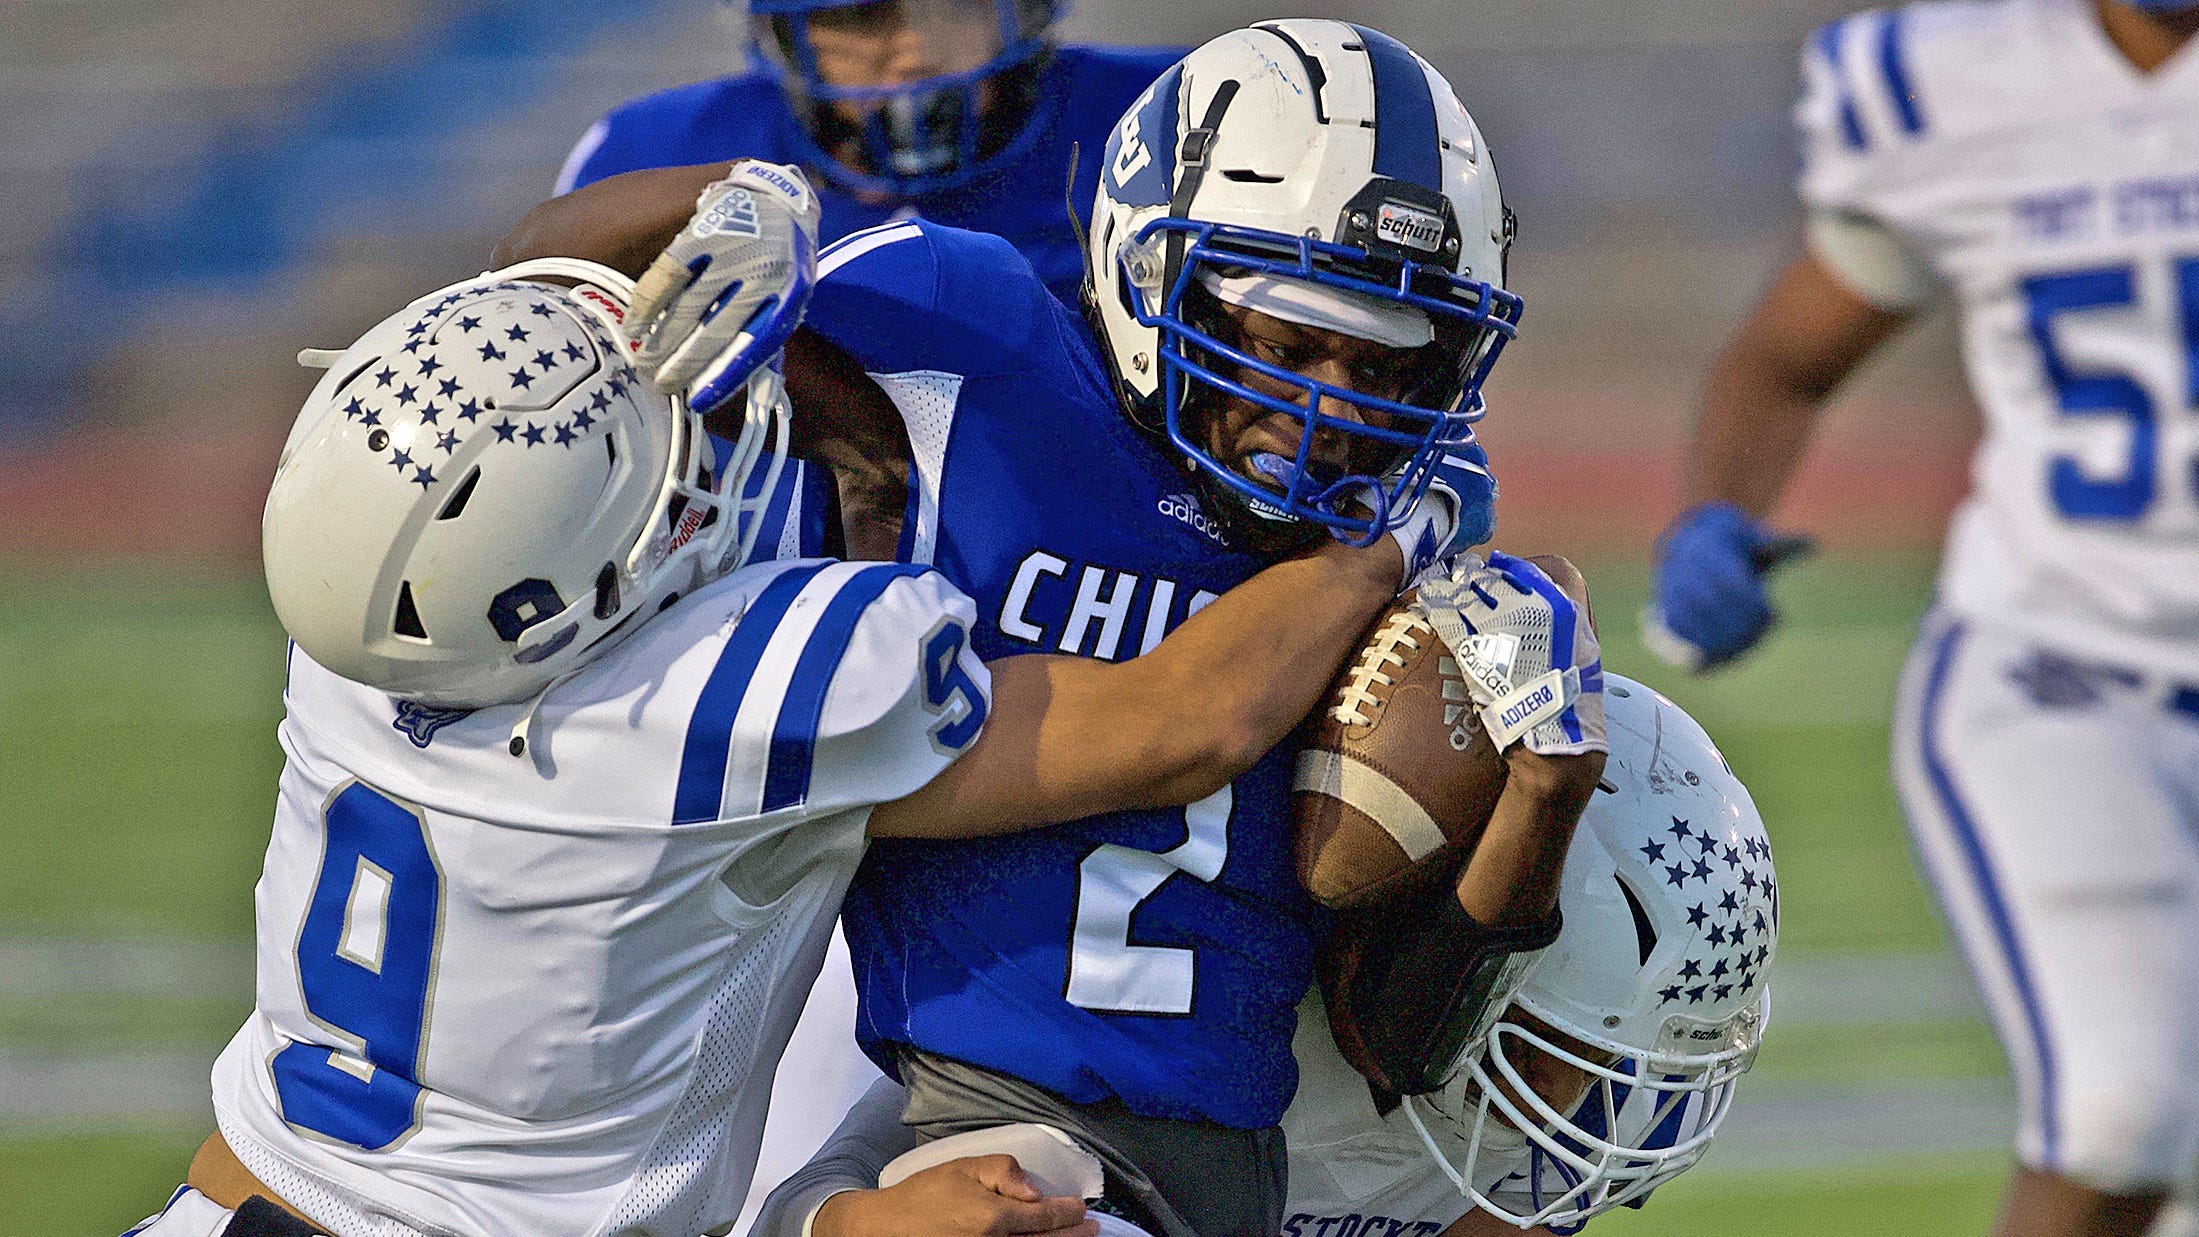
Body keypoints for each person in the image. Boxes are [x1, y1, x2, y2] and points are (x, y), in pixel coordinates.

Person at [497, 21, 1605, 1237]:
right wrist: (739, 203)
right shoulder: (972, 336)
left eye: (1387, 366)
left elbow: (1397, 1032)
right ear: (1150, 267)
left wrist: (1546, 786)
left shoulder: (1433, 520)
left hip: (1229, 1167)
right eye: (1286, 345)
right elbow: (531, 279)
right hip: (972, 1122)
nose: (1329, 408)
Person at [116, 253, 1477, 1237]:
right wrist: (1391, 535)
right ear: (584, 581)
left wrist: (752, 201)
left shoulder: (359, 614)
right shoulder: (735, 695)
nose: (699, 451)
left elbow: (538, 307)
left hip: (220, 1199)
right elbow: (1185, 722)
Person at [1642, 3, 2199, 1236]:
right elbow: (1785, 358)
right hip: (2068, 666)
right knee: (2120, 1113)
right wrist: (1718, 516)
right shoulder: (1961, 84)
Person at [740, 673, 1776, 1237]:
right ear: (1452, 956)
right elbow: (779, 1191)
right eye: (1554, 1057)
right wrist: (845, 1226)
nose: (1584, 1116)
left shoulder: (1561, 1124)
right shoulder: (1215, 979)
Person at [558, 0, 1179, 309]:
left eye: (954, 3)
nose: (915, 49)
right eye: (863, 16)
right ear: (782, 32)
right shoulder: (649, 155)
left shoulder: (1168, 111)